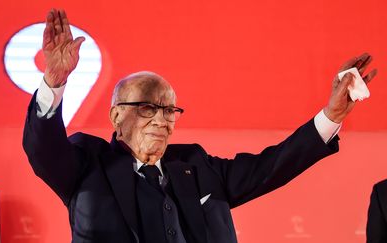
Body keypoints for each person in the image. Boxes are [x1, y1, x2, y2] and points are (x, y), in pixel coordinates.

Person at [22, 9, 377, 243]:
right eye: (148, 108)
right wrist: (53, 83)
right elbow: (43, 150)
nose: (162, 119)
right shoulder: (88, 164)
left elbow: (271, 167)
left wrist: (332, 115)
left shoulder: (195, 165)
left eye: (170, 110)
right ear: (116, 116)